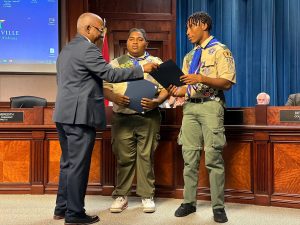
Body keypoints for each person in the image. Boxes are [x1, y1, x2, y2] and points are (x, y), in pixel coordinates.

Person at [53, 13, 158, 225]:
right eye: (100, 29)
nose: (102, 34)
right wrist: (141, 69)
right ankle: (74, 213)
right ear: (88, 28)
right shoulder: (88, 49)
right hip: (80, 116)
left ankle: (61, 208)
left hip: (64, 114)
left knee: (67, 164)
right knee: (77, 166)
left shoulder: (67, 50)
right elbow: (109, 74)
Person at [168, 12, 236, 223]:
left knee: (214, 159)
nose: (187, 32)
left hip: (210, 107)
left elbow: (227, 82)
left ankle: (218, 206)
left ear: (204, 25)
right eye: (186, 28)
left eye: (191, 27)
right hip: (189, 109)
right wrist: (174, 89)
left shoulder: (220, 51)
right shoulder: (189, 56)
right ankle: (189, 202)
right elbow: (185, 88)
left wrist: (201, 78)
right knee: (189, 158)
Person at [103, 28, 169, 213]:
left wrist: (156, 102)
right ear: (127, 43)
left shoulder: (155, 63)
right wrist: (114, 98)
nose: (134, 42)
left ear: (146, 43)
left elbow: (167, 87)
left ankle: (147, 196)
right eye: (131, 39)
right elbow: (104, 87)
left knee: (146, 157)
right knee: (124, 158)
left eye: (139, 39)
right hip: (122, 117)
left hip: (148, 117)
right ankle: (121, 196)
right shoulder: (116, 63)